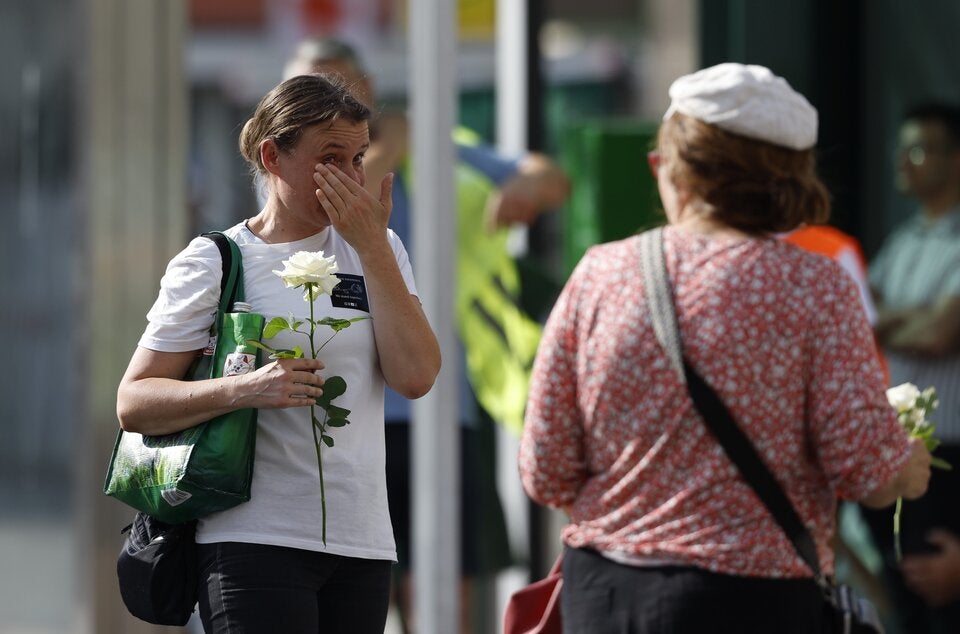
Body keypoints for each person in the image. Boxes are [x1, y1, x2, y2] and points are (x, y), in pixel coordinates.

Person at [518, 62, 932, 633]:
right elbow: (867, 472)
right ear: (789, 178)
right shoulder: (816, 288)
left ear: (677, 170)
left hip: (608, 595)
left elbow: (545, 470)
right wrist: (906, 468)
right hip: (754, 599)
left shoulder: (599, 275)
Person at [116, 73, 441, 634]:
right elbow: (135, 401)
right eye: (330, 157)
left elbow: (415, 377)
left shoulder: (378, 248)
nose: (349, 175)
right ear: (273, 156)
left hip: (362, 540)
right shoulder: (216, 259)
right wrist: (245, 388)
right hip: (250, 538)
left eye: (358, 157)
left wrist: (372, 251)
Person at [284, 37, 570, 633]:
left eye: (336, 87)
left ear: (367, 88)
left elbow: (548, 178)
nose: (324, 103)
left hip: (434, 402)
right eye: (307, 90)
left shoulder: (433, 146)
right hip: (332, 409)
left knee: (441, 579)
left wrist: (521, 187)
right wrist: (386, 150)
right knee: (346, 579)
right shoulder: (286, 175)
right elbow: (346, 204)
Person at [864, 102, 960, 632]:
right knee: (904, 606)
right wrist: (918, 317)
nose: (903, 161)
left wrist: (892, 320)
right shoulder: (902, 242)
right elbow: (860, 319)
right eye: (899, 149)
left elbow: (941, 334)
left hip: (951, 458)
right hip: (898, 450)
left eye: (918, 149)